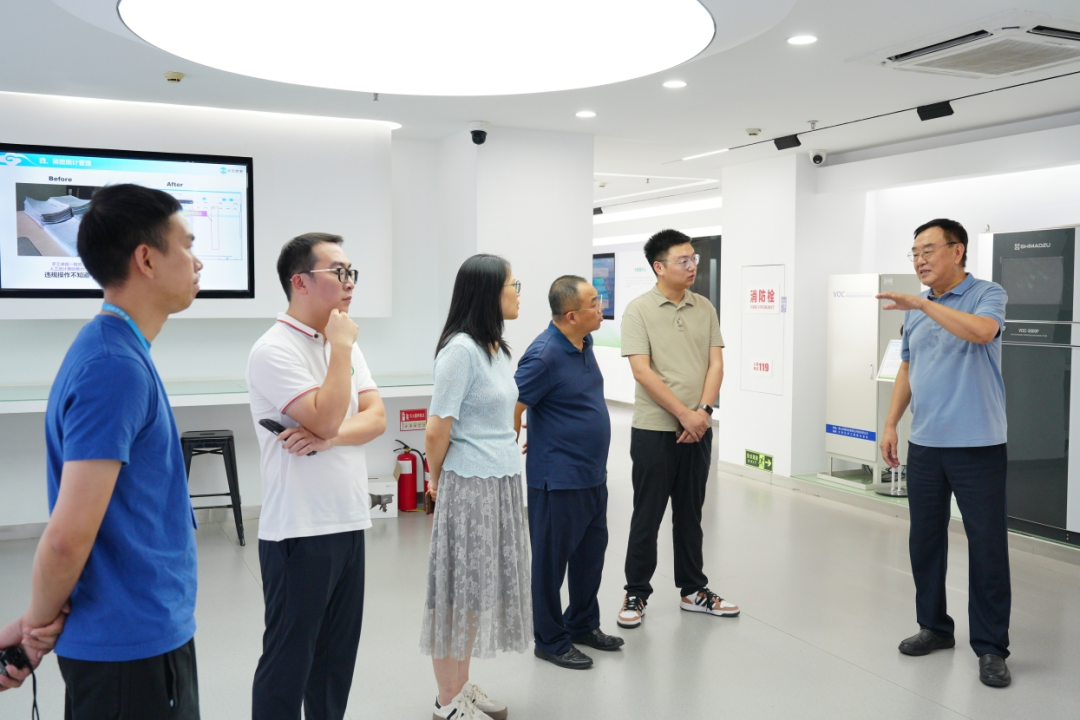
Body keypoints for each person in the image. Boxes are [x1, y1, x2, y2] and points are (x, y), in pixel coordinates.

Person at [0, 184, 204, 717]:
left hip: (140, 636)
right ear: (146, 259)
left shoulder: (118, 351)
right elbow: (66, 539)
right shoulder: (114, 367)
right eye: (187, 245)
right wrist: (33, 630)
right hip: (129, 651)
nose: (198, 261)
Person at [247, 233, 386, 719]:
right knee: (288, 664)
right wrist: (341, 349)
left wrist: (329, 438)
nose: (350, 283)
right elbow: (327, 416)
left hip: (348, 521)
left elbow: (376, 418)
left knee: (333, 664)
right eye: (339, 272)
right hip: (298, 530)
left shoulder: (340, 342)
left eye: (352, 273)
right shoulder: (274, 349)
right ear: (300, 282)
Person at [878, 218, 1012, 688]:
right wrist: (891, 423)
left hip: (978, 444)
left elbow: (982, 332)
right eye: (915, 253)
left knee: (987, 547)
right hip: (927, 444)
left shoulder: (987, 293)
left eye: (928, 250)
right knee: (925, 541)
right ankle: (934, 627)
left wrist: (922, 304)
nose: (920, 260)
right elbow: (907, 367)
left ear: (957, 251)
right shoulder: (916, 310)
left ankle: (991, 647)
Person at [421, 254, 530, 720]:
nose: (518, 294)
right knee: (457, 594)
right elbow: (436, 429)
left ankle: (460, 686)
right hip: (468, 485)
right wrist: (435, 481)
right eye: (512, 285)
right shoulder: (460, 351)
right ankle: (447, 700)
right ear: (489, 293)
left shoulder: (495, 349)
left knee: (476, 591)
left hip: (500, 483)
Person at [617, 229, 738, 630]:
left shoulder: (704, 307)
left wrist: (702, 412)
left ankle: (693, 590)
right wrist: (683, 414)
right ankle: (636, 591)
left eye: (693, 259)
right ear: (659, 267)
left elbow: (716, 363)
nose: (691, 266)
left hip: (698, 429)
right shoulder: (638, 310)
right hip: (654, 429)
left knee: (690, 514)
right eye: (683, 260)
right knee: (647, 515)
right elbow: (642, 371)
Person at [514, 275, 623, 670]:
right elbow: (513, 404)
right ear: (572, 315)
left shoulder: (584, 342)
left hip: (592, 475)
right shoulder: (544, 355)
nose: (601, 307)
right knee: (550, 565)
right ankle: (549, 640)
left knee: (589, 558)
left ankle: (581, 623)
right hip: (557, 480)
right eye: (594, 303)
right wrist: (527, 438)